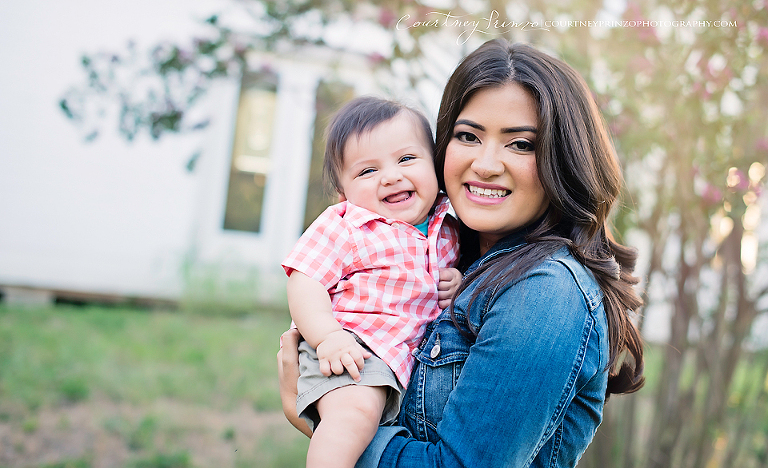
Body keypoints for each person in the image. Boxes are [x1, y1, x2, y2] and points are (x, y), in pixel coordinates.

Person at [279, 39, 646, 467]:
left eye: (521, 144)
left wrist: (319, 423)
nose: (486, 164)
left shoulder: (547, 294)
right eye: (468, 136)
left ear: (562, 160)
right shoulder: (452, 255)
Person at [281, 96, 462, 468]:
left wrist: (458, 283)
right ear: (342, 192)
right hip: (353, 346)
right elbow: (305, 279)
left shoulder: (449, 225)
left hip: (405, 361)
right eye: (367, 171)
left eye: (407, 159)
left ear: (435, 165)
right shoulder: (347, 225)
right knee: (353, 416)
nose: (391, 176)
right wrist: (328, 336)